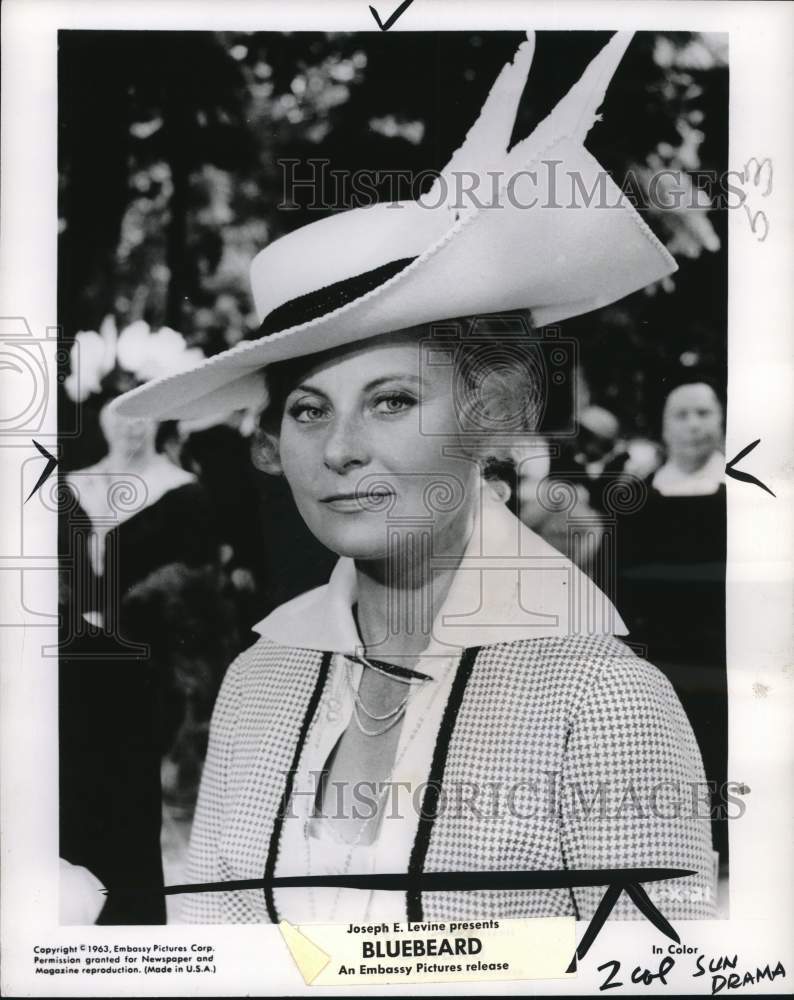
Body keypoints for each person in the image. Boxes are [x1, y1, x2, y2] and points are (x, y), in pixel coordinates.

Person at [114, 31, 717, 924]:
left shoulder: (603, 700)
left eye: (391, 401)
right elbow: (211, 951)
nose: (340, 449)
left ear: (494, 413)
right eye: (309, 409)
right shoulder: (256, 684)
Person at [59, 321, 236, 923]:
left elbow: (194, 589)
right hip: (70, 666)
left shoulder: (184, 492)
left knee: (130, 796)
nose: (128, 423)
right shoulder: (66, 488)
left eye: (141, 411)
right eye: (118, 409)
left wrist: (126, 616)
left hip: (148, 669)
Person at [617, 378, 728, 867]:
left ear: (721, 419)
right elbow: (618, 581)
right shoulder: (641, 499)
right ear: (664, 427)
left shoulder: (745, 494)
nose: (693, 425)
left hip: (725, 652)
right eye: (681, 415)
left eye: (703, 413)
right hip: (662, 652)